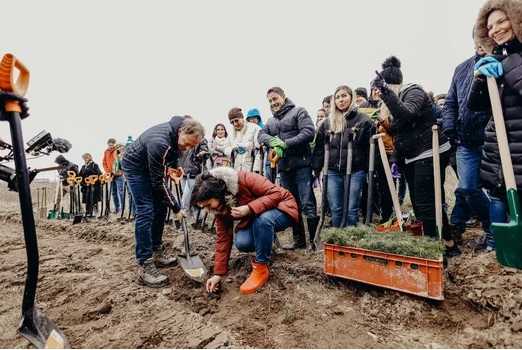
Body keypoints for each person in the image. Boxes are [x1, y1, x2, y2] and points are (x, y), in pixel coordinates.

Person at [372, 55, 461, 258]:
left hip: (429, 151)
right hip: (411, 156)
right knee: (423, 203)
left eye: (382, 88)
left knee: (426, 203)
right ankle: (447, 244)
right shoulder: (392, 102)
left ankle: (434, 250)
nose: (378, 93)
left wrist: (385, 92)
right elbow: (401, 133)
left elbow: (408, 115)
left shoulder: (414, 91)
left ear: (392, 85)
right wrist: (395, 159)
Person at [121, 116, 204, 287]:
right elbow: (158, 183)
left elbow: (174, 151)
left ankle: (157, 250)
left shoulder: (176, 136)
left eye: (191, 147)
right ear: (181, 131)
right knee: (146, 210)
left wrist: (174, 164)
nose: (186, 149)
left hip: (151, 165)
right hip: (135, 167)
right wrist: (176, 207)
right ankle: (145, 263)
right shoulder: (160, 142)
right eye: (186, 144)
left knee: (160, 208)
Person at [190, 167, 298, 295]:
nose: (208, 209)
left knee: (263, 221)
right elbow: (223, 238)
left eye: (208, 204)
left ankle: (261, 267)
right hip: (259, 216)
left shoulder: (245, 179)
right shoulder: (220, 206)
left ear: (216, 193)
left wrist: (249, 208)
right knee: (243, 242)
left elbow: (276, 194)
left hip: (283, 207)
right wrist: (218, 274)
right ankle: (267, 243)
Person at [468, 0, 522, 252]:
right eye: (490, 26)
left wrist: (507, 64)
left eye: (502, 21)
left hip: (519, 145)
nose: (495, 30)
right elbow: (476, 105)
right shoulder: (497, 57)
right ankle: (498, 248)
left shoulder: (511, 59)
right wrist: (480, 79)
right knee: (498, 194)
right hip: (499, 147)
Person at [441, 37, 492, 248]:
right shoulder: (462, 69)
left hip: (493, 138)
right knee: (468, 187)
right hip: (466, 140)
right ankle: (493, 227)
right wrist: (449, 127)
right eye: (478, 37)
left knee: (500, 191)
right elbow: (451, 101)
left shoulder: (503, 63)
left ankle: (495, 235)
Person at [258, 87, 319, 250]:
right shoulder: (271, 121)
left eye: (275, 98)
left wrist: (285, 144)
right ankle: (299, 240)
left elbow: (308, 132)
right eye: (270, 100)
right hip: (284, 167)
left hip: (302, 164)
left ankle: (314, 242)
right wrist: (272, 141)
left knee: (307, 202)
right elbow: (261, 135)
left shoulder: (299, 112)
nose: (273, 102)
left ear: (284, 97)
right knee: (292, 203)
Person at [313, 85, 372, 227]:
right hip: (332, 170)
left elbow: (370, 147)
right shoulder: (327, 122)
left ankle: (350, 237)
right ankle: (338, 237)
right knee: (336, 207)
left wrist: (370, 168)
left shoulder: (363, 120)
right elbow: (320, 148)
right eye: (337, 97)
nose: (341, 100)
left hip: (355, 170)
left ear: (351, 97)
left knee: (352, 207)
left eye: (344, 96)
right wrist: (316, 168)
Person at [224, 107, 262, 173]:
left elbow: (259, 149)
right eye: (232, 122)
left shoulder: (254, 128)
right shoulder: (231, 135)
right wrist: (234, 150)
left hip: (251, 169)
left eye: (236, 120)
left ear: (242, 118)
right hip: (236, 170)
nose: (235, 124)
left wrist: (256, 169)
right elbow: (225, 148)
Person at [102, 138, 124, 214]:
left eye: (112, 143)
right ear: (107, 143)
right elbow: (104, 162)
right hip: (110, 175)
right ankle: (117, 209)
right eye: (109, 143)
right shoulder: (106, 152)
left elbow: (120, 161)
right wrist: (108, 171)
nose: (111, 144)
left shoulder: (117, 150)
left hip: (118, 174)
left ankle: (123, 209)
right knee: (113, 193)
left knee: (121, 192)